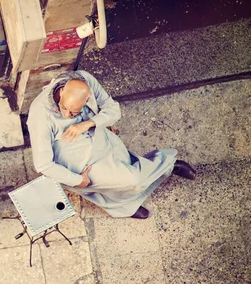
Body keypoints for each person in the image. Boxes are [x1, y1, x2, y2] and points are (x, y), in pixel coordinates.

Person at [27, 70, 195, 219]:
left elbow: (114, 111)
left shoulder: (85, 80)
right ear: (62, 91)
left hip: (98, 138)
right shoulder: (39, 114)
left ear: (86, 100)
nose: (67, 115)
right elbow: (42, 164)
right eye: (64, 108)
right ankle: (167, 166)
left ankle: (126, 206)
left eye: (73, 112)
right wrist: (76, 179)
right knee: (133, 180)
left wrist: (89, 122)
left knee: (125, 172)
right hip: (79, 161)